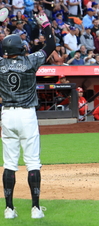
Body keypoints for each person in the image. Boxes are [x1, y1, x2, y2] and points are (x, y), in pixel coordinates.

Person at [1, 12, 55, 219]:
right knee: (32, 162)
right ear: (20, 49)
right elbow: (50, 47)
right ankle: (35, 209)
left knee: (10, 163)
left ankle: (9, 209)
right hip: (27, 115)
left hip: (7, 115)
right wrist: (46, 25)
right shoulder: (30, 61)